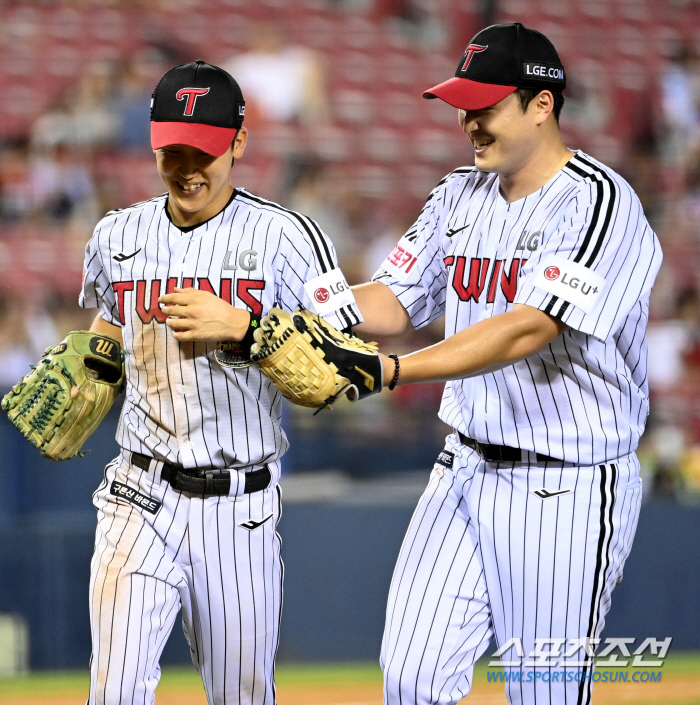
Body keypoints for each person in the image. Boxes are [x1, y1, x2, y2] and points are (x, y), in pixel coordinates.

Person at [349, 23, 662, 705]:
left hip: (567, 484)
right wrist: (294, 311)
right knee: (410, 678)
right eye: (463, 104)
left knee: (543, 695)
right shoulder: (458, 194)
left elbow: (529, 326)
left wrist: (396, 373)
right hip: (463, 468)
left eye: (485, 104)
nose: (468, 121)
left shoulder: (599, 203)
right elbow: (391, 301)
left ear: (541, 104)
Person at [80, 59, 361, 705]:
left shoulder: (286, 235)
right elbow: (108, 318)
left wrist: (246, 328)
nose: (186, 167)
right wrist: (92, 363)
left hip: (238, 504)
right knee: (114, 691)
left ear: (238, 142)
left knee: (241, 694)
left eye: (202, 150)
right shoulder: (116, 233)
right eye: (171, 150)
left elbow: (349, 360)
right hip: (137, 491)